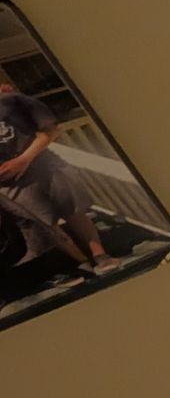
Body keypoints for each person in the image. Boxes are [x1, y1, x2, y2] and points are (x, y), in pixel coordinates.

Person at [0, 82, 118, 275]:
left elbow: (50, 130)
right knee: (47, 225)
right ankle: (83, 266)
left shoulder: (15, 102)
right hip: (10, 181)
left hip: (44, 165)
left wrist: (23, 160)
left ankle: (100, 256)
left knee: (73, 211)